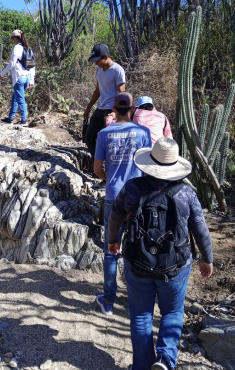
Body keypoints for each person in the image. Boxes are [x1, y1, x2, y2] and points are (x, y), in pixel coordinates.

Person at [108, 137, 213, 370]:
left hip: (137, 263)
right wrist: (207, 259)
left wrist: (113, 240)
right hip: (175, 266)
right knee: (173, 312)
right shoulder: (187, 194)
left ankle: (142, 366)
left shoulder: (132, 187)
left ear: (149, 163)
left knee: (141, 315)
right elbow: (201, 230)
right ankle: (165, 359)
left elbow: (115, 216)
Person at [94, 92, 152, 316]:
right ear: (132, 109)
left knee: (112, 250)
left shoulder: (104, 134)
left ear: (114, 109)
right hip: (138, 197)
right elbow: (148, 168)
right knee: (138, 248)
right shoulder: (143, 133)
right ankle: (137, 302)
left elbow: (98, 169)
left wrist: (113, 181)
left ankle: (108, 301)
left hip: (113, 197)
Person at [84, 44, 126, 159]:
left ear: (105, 57)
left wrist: (116, 113)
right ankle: (98, 166)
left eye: (97, 60)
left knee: (107, 142)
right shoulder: (99, 69)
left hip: (111, 110)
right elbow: (97, 90)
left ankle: (107, 173)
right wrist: (88, 108)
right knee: (88, 137)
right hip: (100, 108)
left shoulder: (117, 70)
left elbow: (122, 95)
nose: (96, 63)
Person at [0, 29, 35, 127]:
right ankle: (10, 118)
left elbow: (12, 64)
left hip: (19, 77)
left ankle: (24, 120)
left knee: (20, 99)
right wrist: (32, 80)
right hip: (27, 77)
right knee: (15, 97)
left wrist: (2, 73)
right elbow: (32, 66)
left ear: (15, 38)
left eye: (13, 39)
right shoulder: (28, 49)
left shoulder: (16, 48)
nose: (13, 41)